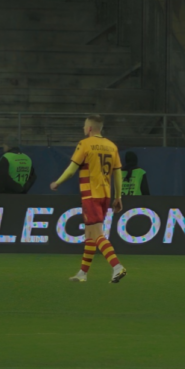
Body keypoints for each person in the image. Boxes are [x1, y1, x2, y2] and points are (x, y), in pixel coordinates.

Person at [49, 116, 126, 284]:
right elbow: (117, 173)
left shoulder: (85, 144)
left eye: (85, 126)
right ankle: (82, 273)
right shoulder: (112, 146)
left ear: (90, 128)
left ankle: (117, 266)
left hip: (91, 194)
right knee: (90, 234)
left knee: (97, 234)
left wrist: (57, 182)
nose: (83, 128)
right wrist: (118, 197)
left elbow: (71, 170)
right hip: (105, 195)